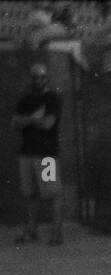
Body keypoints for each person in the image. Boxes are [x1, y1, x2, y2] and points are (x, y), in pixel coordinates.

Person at [12, 62, 63, 246]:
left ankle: (56, 233)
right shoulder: (25, 99)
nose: (38, 80)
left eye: (42, 76)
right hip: (27, 154)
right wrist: (34, 118)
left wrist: (27, 120)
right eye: (35, 77)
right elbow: (15, 123)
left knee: (52, 193)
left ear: (46, 77)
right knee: (30, 193)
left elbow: (48, 123)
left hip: (46, 155)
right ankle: (32, 230)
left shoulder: (52, 99)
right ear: (31, 78)